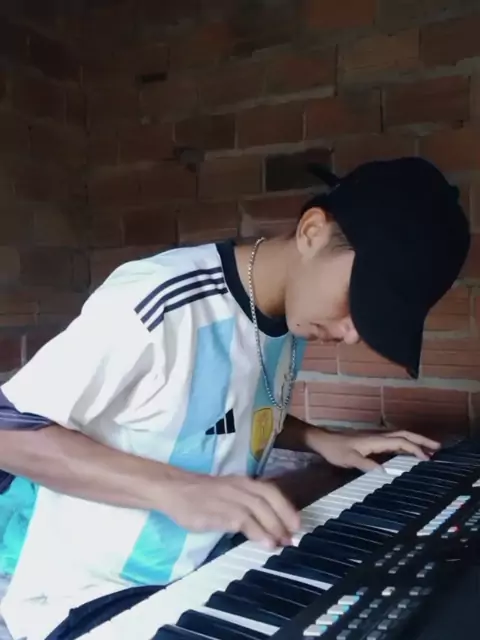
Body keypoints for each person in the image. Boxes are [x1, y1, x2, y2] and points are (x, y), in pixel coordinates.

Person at [0, 157, 470, 639]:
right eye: (358, 302)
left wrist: (324, 440)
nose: (352, 334)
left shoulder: (292, 320)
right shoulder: (161, 300)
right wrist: (176, 489)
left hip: (208, 571)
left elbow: (216, 408)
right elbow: (7, 429)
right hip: (92, 597)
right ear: (312, 231)